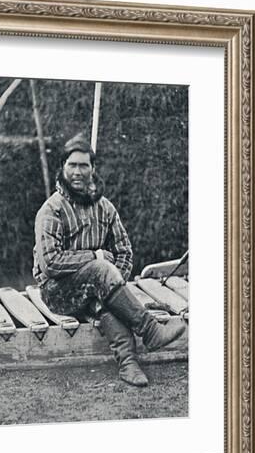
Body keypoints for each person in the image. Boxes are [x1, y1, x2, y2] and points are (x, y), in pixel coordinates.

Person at [33, 134, 186, 387]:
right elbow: (50, 262)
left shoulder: (105, 208)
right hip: (57, 293)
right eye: (72, 165)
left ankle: (128, 364)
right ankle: (150, 330)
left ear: (93, 169)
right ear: (62, 167)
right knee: (101, 270)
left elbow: (125, 252)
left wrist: (113, 283)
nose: (78, 172)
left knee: (104, 300)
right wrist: (95, 258)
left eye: (84, 165)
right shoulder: (51, 210)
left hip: (94, 289)